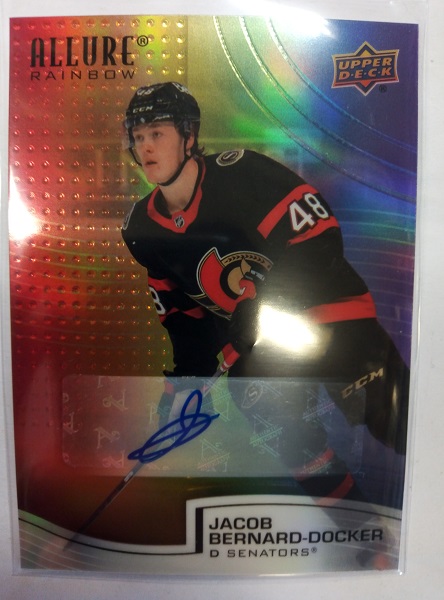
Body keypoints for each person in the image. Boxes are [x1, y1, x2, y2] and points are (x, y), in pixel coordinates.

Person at [121, 81, 410, 506]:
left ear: (189, 135)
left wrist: (262, 299)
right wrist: (187, 378)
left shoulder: (244, 174)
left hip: (330, 315)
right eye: (139, 136)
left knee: (395, 421)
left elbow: (319, 236)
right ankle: (361, 526)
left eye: (157, 133)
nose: (146, 146)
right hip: (259, 348)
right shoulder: (142, 230)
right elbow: (183, 316)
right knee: (288, 436)